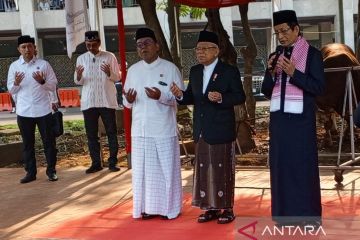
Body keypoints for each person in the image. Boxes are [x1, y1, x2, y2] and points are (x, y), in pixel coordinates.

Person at [170, 30, 246, 224]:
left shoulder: (228, 71)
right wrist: (179, 94)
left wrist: (221, 98)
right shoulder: (195, 71)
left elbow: (240, 96)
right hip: (202, 129)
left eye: (205, 49)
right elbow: (191, 98)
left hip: (221, 128)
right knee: (204, 170)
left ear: (216, 51)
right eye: (197, 49)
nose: (200, 52)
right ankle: (209, 208)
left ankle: (227, 208)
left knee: (223, 169)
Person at [261, 10, 325, 225]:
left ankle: (309, 217)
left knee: (303, 167)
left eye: (284, 31)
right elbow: (267, 91)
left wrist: (293, 73)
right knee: (281, 167)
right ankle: (283, 215)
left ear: (296, 29)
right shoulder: (276, 55)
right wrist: (270, 72)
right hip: (279, 123)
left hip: (301, 122)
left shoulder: (313, 55)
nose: (280, 36)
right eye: (277, 32)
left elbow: (318, 87)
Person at [123, 27, 184, 220]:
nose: (143, 48)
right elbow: (125, 101)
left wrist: (161, 96)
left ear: (157, 46)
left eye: (147, 43)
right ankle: (147, 208)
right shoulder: (133, 71)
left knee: (167, 171)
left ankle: (169, 209)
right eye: (139, 45)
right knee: (144, 173)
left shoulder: (170, 68)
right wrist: (129, 100)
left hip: (164, 129)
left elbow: (180, 98)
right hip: (140, 130)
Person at [7, 35, 58, 183]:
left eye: (29, 46)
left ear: (34, 47)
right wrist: (16, 83)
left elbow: (53, 85)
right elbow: (11, 90)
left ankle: (51, 171)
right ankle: (30, 173)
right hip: (24, 111)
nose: (27, 49)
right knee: (28, 144)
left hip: (44, 110)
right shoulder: (14, 67)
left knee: (49, 143)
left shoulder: (44, 65)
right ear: (19, 49)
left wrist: (42, 81)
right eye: (23, 47)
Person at [74, 31, 121, 174]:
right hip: (89, 102)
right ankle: (96, 163)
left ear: (99, 43)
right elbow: (78, 81)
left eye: (94, 45)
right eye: (88, 45)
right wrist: (79, 75)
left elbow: (117, 77)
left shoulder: (109, 56)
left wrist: (109, 73)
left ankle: (112, 162)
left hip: (107, 101)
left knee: (111, 132)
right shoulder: (81, 58)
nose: (91, 48)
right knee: (91, 135)